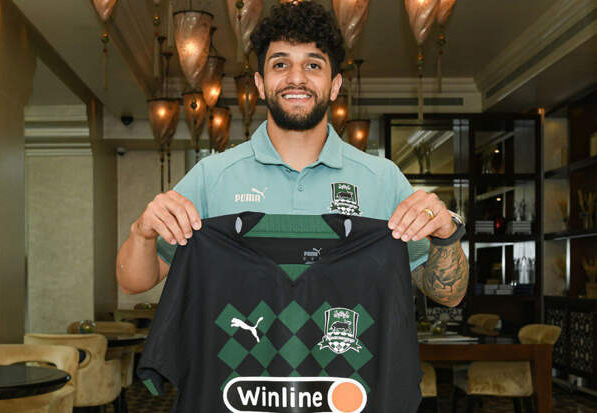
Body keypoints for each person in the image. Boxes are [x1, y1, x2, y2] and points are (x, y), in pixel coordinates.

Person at [116, 1, 468, 308]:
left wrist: (446, 234)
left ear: (335, 85)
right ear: (260, 84)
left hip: (349, 364)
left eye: (313, 65)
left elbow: (448, 295)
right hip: (240, 364)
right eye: (280, 64)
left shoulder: (382, 178)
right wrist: (142, 232)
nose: (296, 78)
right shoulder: (212, 175)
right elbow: (134, 282)